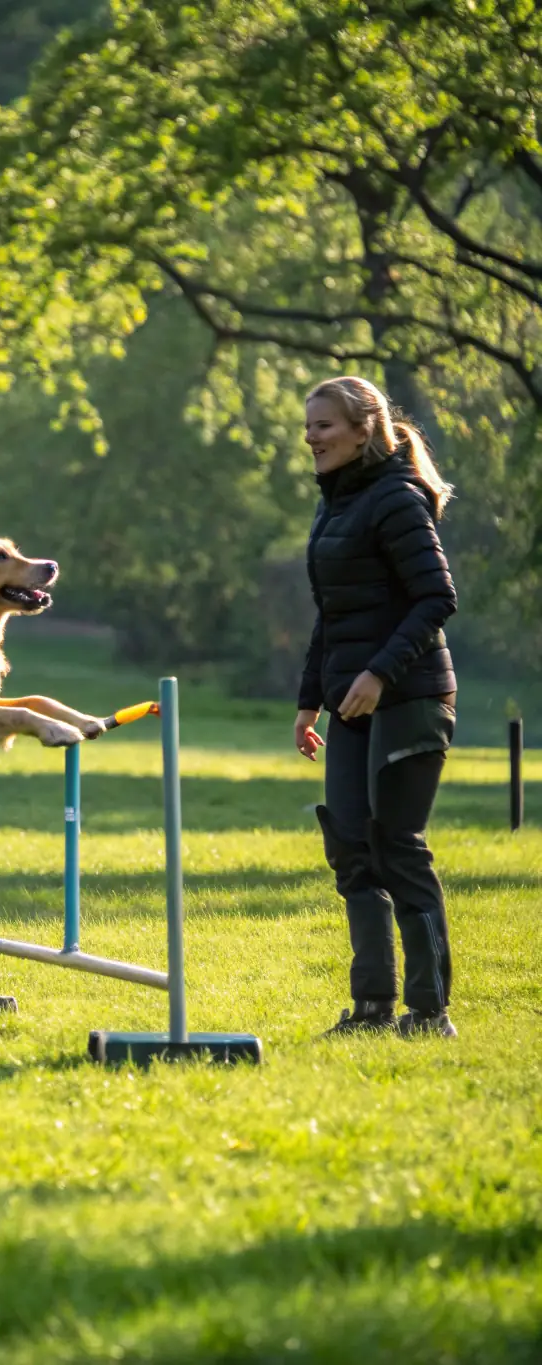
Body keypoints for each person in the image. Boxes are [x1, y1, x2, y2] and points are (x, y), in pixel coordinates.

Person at [295, 376, 458, 1038]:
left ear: (364, 428)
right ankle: (371, 1007)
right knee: (353, 848)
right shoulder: (337, 504)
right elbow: (334, 614)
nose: (311, 437)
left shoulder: (394, 498)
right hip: (351, 700)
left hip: (411, 695)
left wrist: (381, 675)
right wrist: (311, 699)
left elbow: (436, 597)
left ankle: (429, 1011)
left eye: (324, 425)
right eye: (308, 427)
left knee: (396, 846)